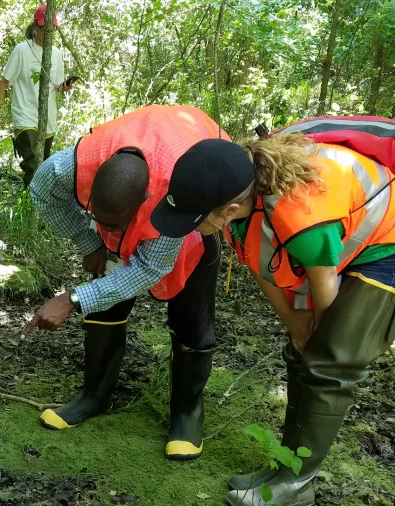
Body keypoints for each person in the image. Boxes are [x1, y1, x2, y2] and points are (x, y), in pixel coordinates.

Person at [150, 129, 395, 505]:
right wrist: (295, 323)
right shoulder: (241, 211)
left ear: (228, 209)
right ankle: (286, 467)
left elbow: (323, 285)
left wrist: (319, 336)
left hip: (387, 247)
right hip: (344, 246)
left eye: (193, 219)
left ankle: (295, 485)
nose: (189, 228)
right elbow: (263, 267)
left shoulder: (299, 212)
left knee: (329, 359)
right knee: (300, 352)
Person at [25, 104, 228, 460]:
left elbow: (150, 268)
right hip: (131, 193)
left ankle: (186, 413)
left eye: (118, 225)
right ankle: (95, 395)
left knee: (190, 314)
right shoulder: (71, 166)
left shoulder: (176, 194)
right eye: (100, 219)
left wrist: (72, 298)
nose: (113, 233)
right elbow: (42, 192)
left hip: (195, 222)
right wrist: (91, 241)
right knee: (105, 297)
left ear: (146, 201)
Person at [0, 4, 73, 187]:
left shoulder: (56, 54)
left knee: (44, 167)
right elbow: (4, 82)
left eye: (52, 28)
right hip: (25, 116)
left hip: (47, 119)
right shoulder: (21, 50)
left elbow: (56, 85)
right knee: (33, 165)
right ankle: (29, 207)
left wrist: (64, 87)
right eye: (44, 27)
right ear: (35, 27)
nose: (48, 31)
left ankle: (38, 208)